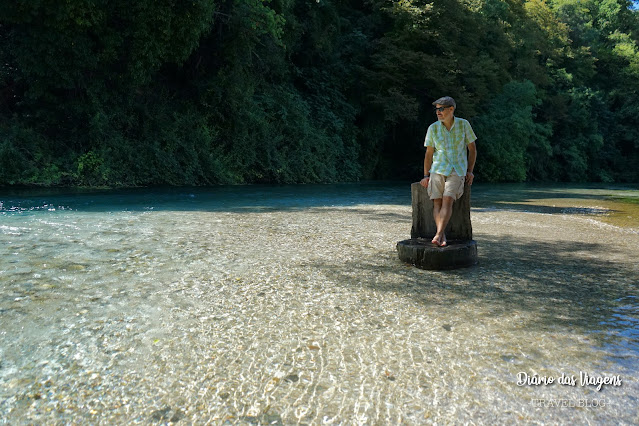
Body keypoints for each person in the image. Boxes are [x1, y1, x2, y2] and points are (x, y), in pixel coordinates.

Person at [419, 96, 477, 247]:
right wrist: (425, 175)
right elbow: (429, 154)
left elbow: (472, 150)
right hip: (438, 169)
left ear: (451, 109)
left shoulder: (464, 125)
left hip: (457, 169)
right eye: (437, 109)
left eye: (441, 109)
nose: (438, 112)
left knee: (448, 199)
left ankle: (438, 234)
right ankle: (442, 234)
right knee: (436, 202)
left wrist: (470, 171)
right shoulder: (433, 128)